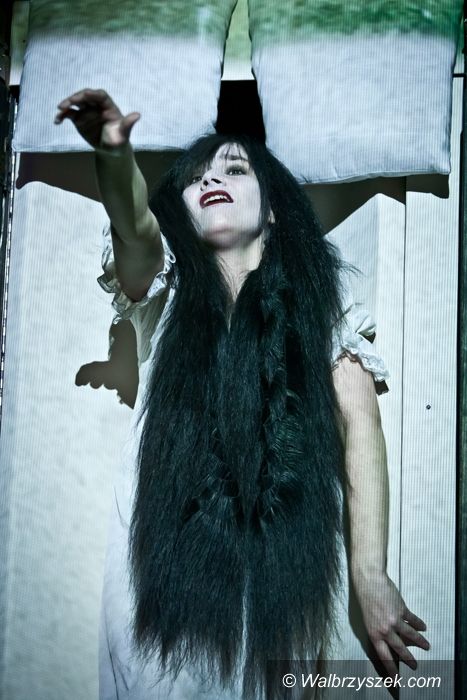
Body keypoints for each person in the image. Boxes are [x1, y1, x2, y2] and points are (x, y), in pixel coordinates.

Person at [55, 90, 430, 700]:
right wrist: (114, 156)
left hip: (279, 602)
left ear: (273, 208)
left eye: (234, 169)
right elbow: (135, 230)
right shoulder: (168, 291)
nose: (210, 181)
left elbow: (361, 425)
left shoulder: (323, 309)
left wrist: (369, 573)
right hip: (166, 602)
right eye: (195, 178)